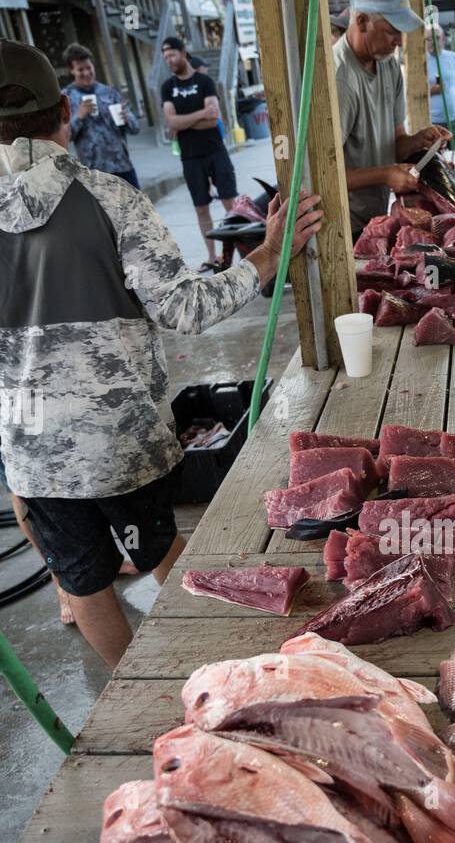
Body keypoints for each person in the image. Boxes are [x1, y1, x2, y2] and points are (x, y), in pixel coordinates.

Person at [0, 39, 323, 669]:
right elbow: (184, 309)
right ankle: (222, 673)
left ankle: (140, 698)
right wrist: (264, 253)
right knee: (163, 555)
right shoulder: (110, 198)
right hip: (119, 443)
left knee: (85, 586)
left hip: (32, 447)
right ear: (65, 110)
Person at [333, 0, 451, 238]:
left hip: (376, 216)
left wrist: (420, 140)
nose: (399, 41)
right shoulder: (339, 80)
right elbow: (326, 175)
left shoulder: (388, 65)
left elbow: (396, 143)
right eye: (392, 31)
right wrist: (386, 174)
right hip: (342, 226)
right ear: (361, 21)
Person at [160, 36, 237, 272]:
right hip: (191, 157)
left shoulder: (204, 81)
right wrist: (198, 115)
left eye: (172, 54)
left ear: (183, 53)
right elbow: (170, 121)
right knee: (201, 208)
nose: (169, 60)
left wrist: (182, 124)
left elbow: (213, 120)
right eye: (165, 57)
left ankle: (244, 253)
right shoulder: (167, 87)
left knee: (230, 204)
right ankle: (213, 257)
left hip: (215, 150)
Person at [62, 43, 141, 189]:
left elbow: (136, 128)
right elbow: (64, 137)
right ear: (71, 70)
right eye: (80, 69)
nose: (86, 73)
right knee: (104, 213)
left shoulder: (109, 92)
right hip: (94, 173)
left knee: (141, 211)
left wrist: (127, 119)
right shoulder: (66, 98)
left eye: (89, 68)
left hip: (122, 165)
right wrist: (79, 117)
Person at [425, 23, 455, 150]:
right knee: (437, 161)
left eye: (437, 37)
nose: (433, 42)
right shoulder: (421, 61)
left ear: (443, 39)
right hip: (433, 122)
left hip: (454, 119)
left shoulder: (452, 57)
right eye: (429, 39)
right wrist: (431, 91)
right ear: (424, 41)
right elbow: (413, 95)